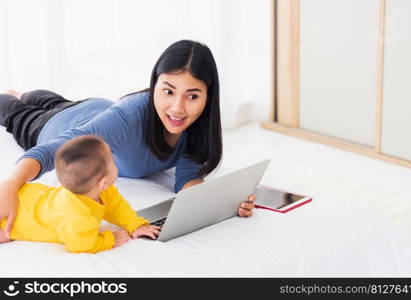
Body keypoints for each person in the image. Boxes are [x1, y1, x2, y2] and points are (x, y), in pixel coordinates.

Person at [0, 40, 256, 240]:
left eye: (192, 96)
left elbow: (187, 180)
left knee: (50, 101)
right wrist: (11, 185)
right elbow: (52, 150)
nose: (178, 108)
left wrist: (224, 202)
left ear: (208, 98)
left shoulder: (194, 127)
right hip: (55, 127)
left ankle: (26, 93)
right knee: (15, 112)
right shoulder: (130, 116)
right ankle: (16, 98)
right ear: (154, 84)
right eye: (168, 91)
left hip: (92, 108)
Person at [0, 135, 160, 253]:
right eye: (111, 159)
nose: (115, 160)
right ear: (103, 181)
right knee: (5, 235)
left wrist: (135, 225)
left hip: (30, 199)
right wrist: (111, 239)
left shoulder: (105, 190)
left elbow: (118, 208)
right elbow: (81, 244)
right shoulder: (77, 217)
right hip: (11, 213)